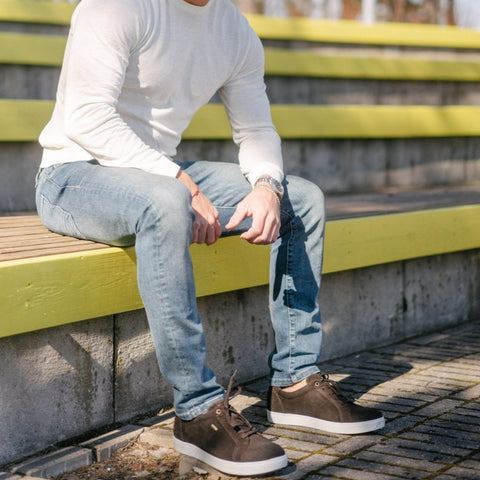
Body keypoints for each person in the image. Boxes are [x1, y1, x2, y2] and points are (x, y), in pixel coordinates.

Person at [35, 0, 384, 476]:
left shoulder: (233, 29)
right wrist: (180, 182)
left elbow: (256, 129)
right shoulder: (117, 7)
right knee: (165, 200)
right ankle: (197, 411)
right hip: (73, 175)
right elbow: (87, 117)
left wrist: (266, 186)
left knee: (301, 199)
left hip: (157, 173)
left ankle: (295, 383)